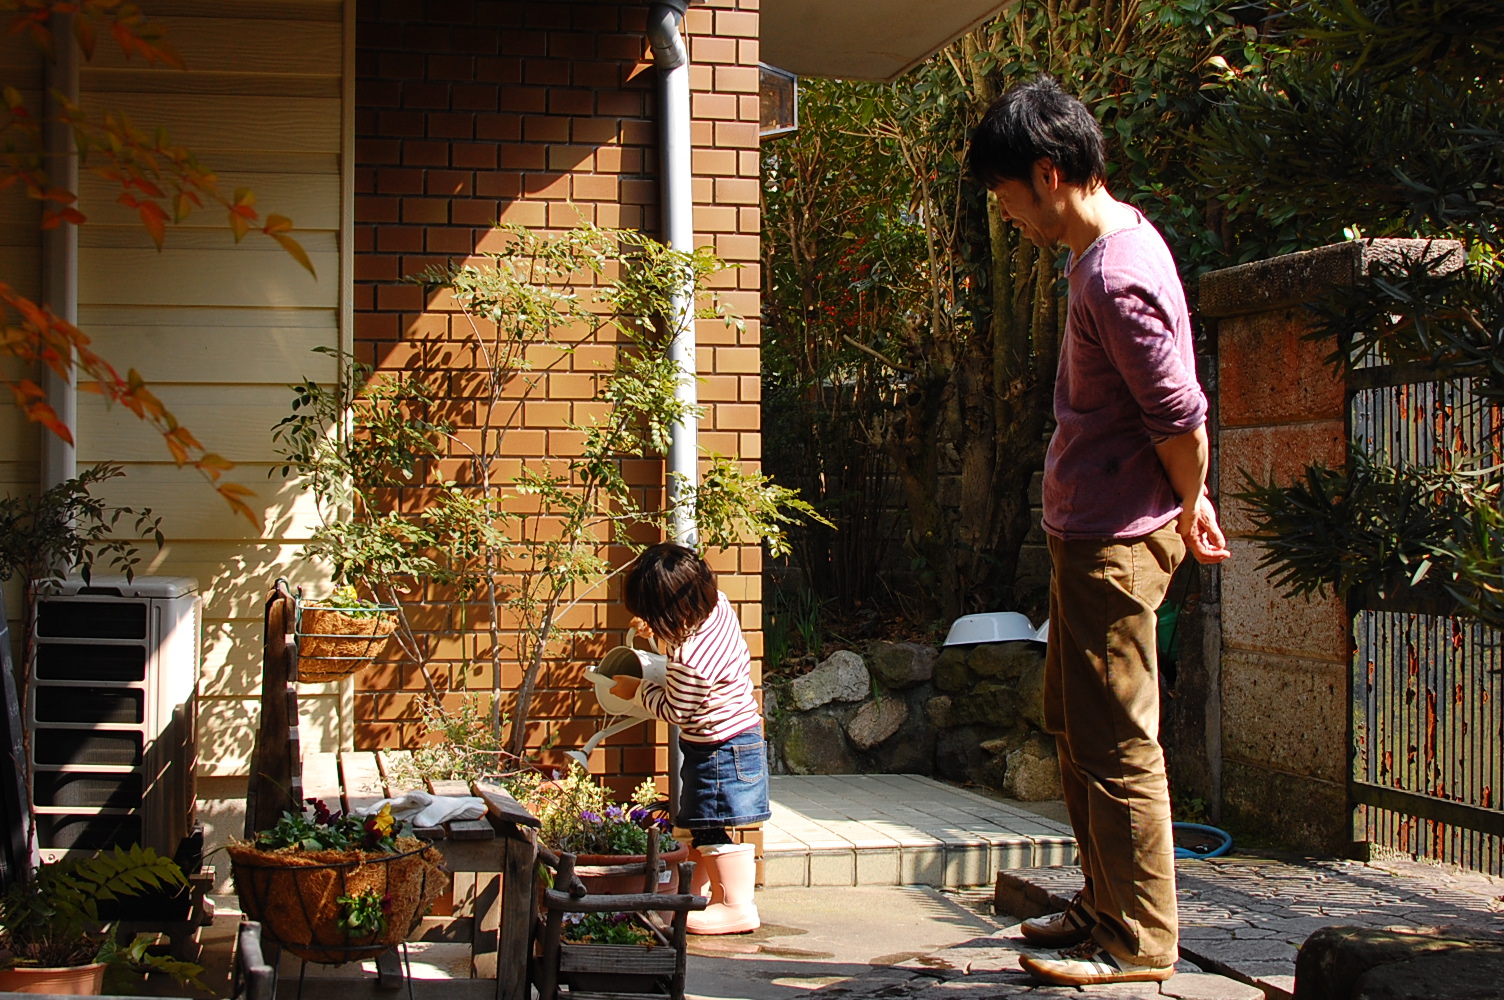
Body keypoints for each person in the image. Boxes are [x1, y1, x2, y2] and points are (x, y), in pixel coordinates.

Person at [968, 76, 1231, 988]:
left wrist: (1192, 498)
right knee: (1077, 730)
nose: (1007, 213)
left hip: (1116, 542)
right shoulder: (1105, 253)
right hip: (1090, 534)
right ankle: (1103, 903)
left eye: (1006, 194)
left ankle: (1137, 940)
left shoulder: (1116, 275)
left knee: (1117, 743)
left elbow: (1180, 413)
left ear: (1047, 173)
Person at [609, 541, 770, 934]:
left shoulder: (691, 660)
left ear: (671, 613)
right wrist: (660, 630)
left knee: (710, 825)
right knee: (701, 823)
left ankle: (736, 906)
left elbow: (676, 709)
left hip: (719, 748)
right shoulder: (717, 606)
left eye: (653, 616)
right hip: (735, 738)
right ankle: (698, 891)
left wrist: (637, 691)